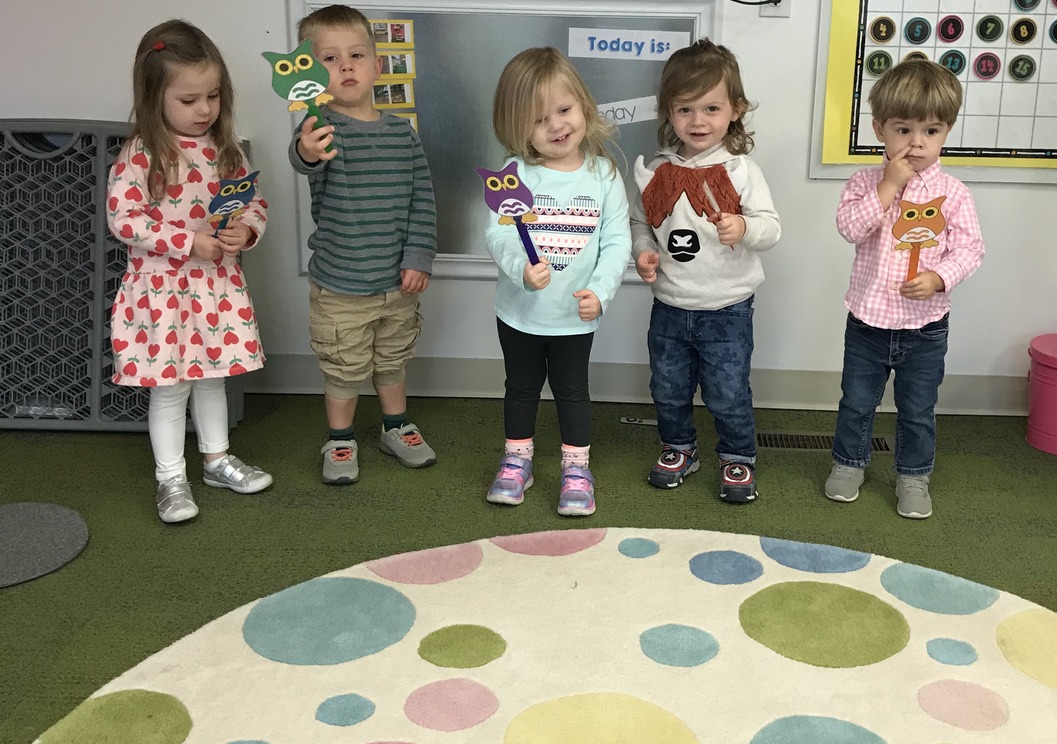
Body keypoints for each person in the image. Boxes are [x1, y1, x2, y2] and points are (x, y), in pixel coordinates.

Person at [107, 20, 272, 524]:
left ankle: (217, 461)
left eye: (214, 96)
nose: (205, 109)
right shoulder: (142, 153)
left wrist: (245, 231)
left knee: (212, 379)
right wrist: (187, 241)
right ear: (154, 97)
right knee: (170, 388)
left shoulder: (226, 150)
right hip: (161, 291)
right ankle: (171, 478)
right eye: (189, 99)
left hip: (215, 288)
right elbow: (124, 219)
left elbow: (253, 203)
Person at [825, 59, 984, 519]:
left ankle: (913, 475)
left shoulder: (954, 194)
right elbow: (850, 229)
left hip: (925, 327)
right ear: (880, 129)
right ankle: (849, 463)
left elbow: (971, 249)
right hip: (868, 323)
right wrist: (888, 186)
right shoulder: (863, 183)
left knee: (917, 408)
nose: (917, 142)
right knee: (857, 402)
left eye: (931, 130)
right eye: (903, 129)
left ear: (946, 131)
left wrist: (939, 278)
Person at [289, 5, 437, 484]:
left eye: (356, 55)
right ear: (310, 73)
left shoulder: (402, 134)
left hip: (398, 284)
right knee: (343, 366)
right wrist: (307, 150)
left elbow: (422, 200)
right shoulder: (318, 129)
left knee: (393, 360)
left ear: (377, 64)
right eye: (329, 59)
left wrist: (419, 256)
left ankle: (396, 427)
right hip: (340, 287)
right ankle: (340, 438)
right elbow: (304, 158)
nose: (346, 66)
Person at [481, 47, 632, 516]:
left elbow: (617, 242)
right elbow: (498, 235)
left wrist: (601, 292)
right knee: (520, 389)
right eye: (537, 119)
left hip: (574, 315)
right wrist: (521, 271)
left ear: (583, 104)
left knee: (572, 392)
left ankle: (576, 468)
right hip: (519, 313)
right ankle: (517, 460)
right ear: (515, 126)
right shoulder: (514, 175)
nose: (556, 126)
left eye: (564, 110)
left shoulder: (604, 175)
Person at [630, 39, 780, 503]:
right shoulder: (658, 169)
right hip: (670, 306)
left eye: (711, 108)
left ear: (735, 110)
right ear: (668, 112)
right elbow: (641, 223)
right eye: (685, 109)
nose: (698, 121)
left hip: (728, 308)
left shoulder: (741, 170)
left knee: (728, 391)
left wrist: (744, 227)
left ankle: (738, 456)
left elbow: (771, 229)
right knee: (667, 388)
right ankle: (679, 447)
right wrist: (643, 251)